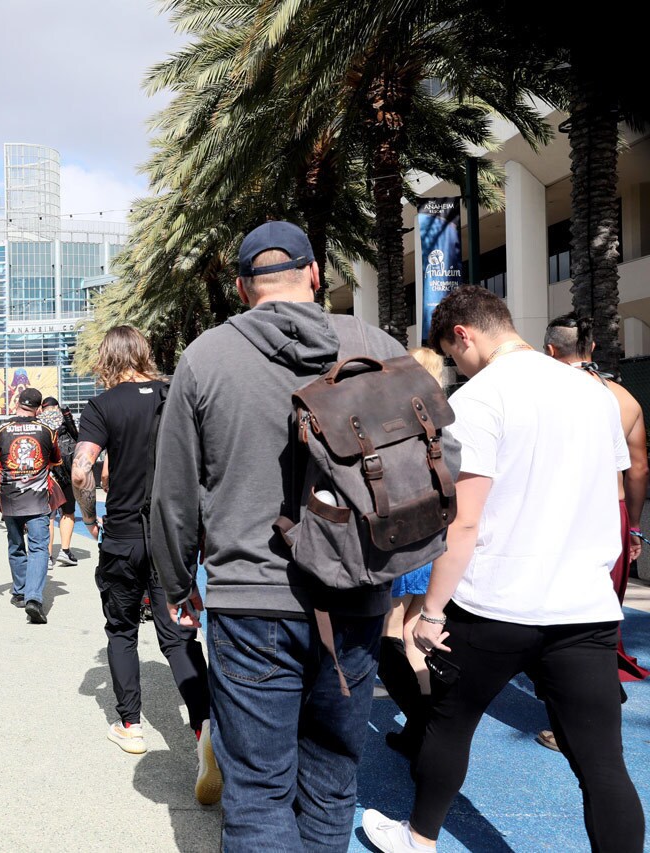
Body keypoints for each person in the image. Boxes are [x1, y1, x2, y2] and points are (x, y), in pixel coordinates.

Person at [149, 221, 416, 851]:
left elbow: (174, 494)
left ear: (243, 288)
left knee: (258, 793)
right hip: (356, 594)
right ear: (316, 274)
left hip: (251, 598)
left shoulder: (206, 357)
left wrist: (178, 583)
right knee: (331, 783)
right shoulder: (373, 343)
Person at [363, 286, 644, 853]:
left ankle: (418, 839)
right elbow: (613, 491)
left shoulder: (479, 399)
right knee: (603, 763)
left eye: (451, 352)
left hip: (495, 602)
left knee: (450, 722)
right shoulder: (596, 394)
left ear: (462, 334)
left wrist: (432, 613)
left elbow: (464, 524)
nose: (455, 365)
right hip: (583, 605)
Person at [73, 325, 218, 805]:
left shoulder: (102, 406)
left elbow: (80, 469)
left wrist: (89, 516)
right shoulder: (175, 393)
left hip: (123, 535)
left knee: (121, 632)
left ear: (107, 358)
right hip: (172, 537)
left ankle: (131, 726)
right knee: (178, 635)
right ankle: (203, 727)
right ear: (145, 353)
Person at [542, 313, 649, 686]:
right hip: (613, 509)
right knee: (598, 611)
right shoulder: (623, 398)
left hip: (559, 512)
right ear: (593, 347)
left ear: (550, 350)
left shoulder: (543, 394)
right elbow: (638, 469)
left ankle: (578, 702)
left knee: (561, 613)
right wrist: (633, 525)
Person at [376, 346, 446, 760]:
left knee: (391, 632)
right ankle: (426, 725)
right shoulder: (444, 421)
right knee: (415, 635)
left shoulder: (399, 423)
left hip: (404, 539)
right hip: (436, 541)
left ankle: (419, 723)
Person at [0, 387, 61, 625]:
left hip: (9, 500)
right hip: (37, 499)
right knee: (38, 548)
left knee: (16, 546)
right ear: (38, 408)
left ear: (16, 403)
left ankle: (20, 591)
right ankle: (33, 597)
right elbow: (54, 462)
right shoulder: (48, 431)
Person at [40, 397, 79, 566]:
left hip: (48, 473)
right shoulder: (66, 419)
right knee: (68, 511)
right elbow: (78, 437)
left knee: (49, 515)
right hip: (68, 471)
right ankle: (65, 550)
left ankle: (48, 557)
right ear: (57, 407)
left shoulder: (39, 424)